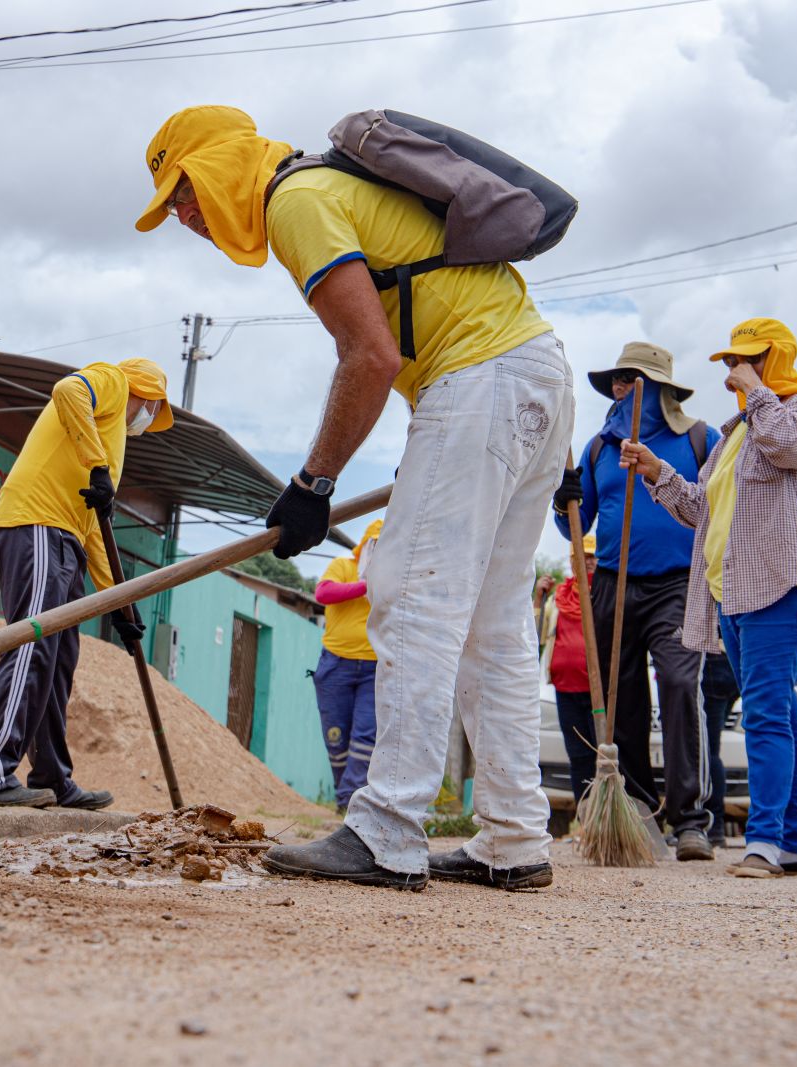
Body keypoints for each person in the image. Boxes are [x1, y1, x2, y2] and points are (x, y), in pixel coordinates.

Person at [136, 106, 573, 891]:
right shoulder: (324, 187)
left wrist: (311, 484)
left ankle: (386, 830)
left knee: (409, 600)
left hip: (480, 379)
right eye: (173, 207)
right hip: (534, 374)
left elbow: (370, 355)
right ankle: (514, 837)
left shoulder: (295, 201)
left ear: (225, 163)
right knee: (491, 625)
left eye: (185, 192)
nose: (186, 217)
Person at [618, 318, 797, 878]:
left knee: (765, 717)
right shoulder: (736, 433)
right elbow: (699, 511)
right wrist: (657, 470)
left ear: (776, 358)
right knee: (783, 714)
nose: (734, 372)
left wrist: (758, 391)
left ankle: (763, 845)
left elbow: (785, 446)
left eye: (748, 360)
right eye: (730, 362)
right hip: (728, 595)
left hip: (779, 587)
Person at [0, 358, 174, 808]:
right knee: (31, 646)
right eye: (154, 409)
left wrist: (123, 606)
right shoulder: (114, 383)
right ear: (148, 394)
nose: (150, 419)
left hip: (66, 538)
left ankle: (52, 777)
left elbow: (96, 530)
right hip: (36, 523)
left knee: (57, 662)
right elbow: (67, 390)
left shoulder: (113, 439)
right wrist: (96, 464)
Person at [553, 342, 720, 861]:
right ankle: (642, 811)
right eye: (617, 382)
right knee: (622, 699)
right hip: (614, 583)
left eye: (631, 380)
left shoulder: (697, 439)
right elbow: (573, 525)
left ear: (662, 389)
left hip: (676, 584)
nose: (621, 390)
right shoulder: (600, 448)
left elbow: (717, 507)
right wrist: (564, 501)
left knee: (676, 682)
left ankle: (690, 817)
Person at [312, 519, 383, 813]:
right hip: (335, 663)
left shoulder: (395, 577)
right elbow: (323, 593)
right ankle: (345, 794)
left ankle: (349, 800)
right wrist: (365, 587)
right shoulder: (343, 566)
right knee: (336, 736)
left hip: (374, 667)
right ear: (364, 545)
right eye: (375, 544)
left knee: (365, 736)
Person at [535, 533, 600, 807]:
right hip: (565, 689)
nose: (586, 562)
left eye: (591, 557)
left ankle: (604, 816)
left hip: (599, 693)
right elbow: (534, 638)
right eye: (580, 557)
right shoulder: (556, 600)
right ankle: (585, 818)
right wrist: (539, 598)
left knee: (603, 757)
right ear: (572, 561)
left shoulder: (604, 595)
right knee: (578, 757)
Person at [701, 650, 741, 846]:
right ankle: (713, 825)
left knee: (707, 751)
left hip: (712, 660)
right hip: (732, 661)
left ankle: (713, 826)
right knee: (709, 749)